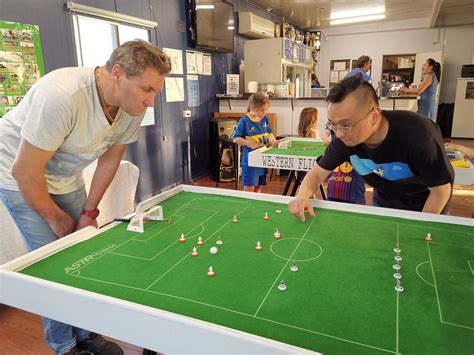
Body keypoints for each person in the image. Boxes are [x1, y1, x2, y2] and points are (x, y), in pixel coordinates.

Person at [0, 40, 171, 355]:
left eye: (156, 92)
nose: (151, 102)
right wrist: (55, 216)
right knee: (52, 264)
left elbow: (110, 160)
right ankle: (65, 345)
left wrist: (89, 213)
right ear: (117, 73)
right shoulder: (62, 95)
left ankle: (87, 332)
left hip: (64, 174)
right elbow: (25, 172)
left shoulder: (131, 106)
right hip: (19, 172)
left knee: (81, 251)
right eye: (147, 89)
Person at [289, 75, 454, 221]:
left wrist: (421, 226)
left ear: (374, 116)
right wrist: (302, 196)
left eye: (346, 125)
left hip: (427, 204)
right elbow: (317, 174)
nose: (338, 134)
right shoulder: (344, 140)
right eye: (333, 124)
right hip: (384, 200)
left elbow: (440, 192)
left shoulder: (420, 137)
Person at [233, 93, 278, 192]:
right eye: (262, 110)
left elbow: (269, 133)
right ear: (252, 107)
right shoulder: (244, 121)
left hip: (262, 159)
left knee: (259, 187)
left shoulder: (265, 119)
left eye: (266, 110)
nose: (264, 112)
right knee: (250, 188)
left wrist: (273, 140)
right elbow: (236, 138)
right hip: (250, 162)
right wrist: (249, 143)